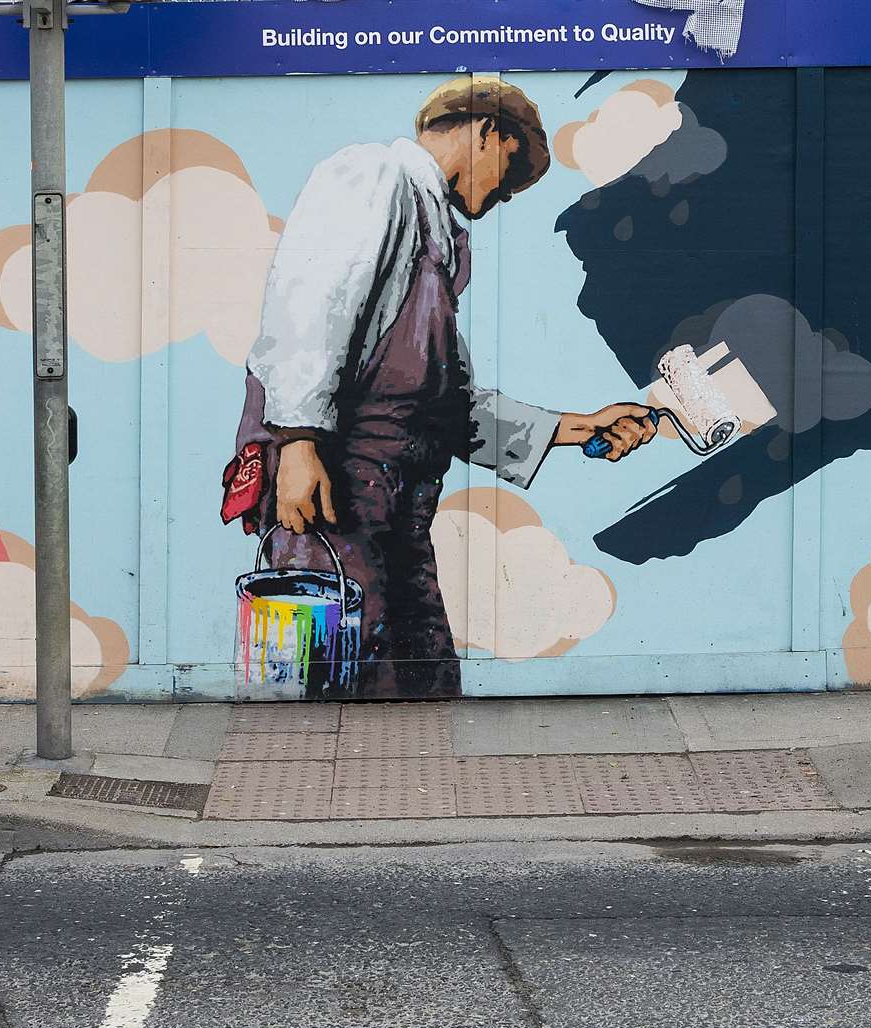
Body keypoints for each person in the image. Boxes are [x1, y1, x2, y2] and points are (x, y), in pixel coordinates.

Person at [226, 78, 658, 698]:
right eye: (513, 172)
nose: (507, 196)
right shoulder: (372, 175)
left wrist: (575, 428)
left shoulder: (441, 238)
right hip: (331, 489)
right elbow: (305, 305)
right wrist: (295, 443)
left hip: (398, 507)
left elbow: (445, 402)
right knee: (343, 682)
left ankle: (410, 794)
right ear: (488, 132)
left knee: (424, 674)